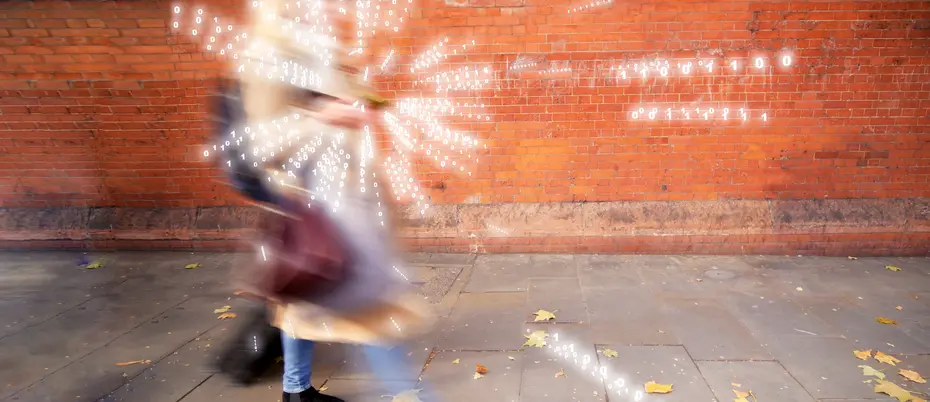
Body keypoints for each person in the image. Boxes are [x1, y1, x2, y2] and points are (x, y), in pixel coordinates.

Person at [234, 1, 438, 401]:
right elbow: (263, 143)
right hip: (321, 203)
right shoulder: (268, 53)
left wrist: (350, 94)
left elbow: (318, 96)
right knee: (371, 306)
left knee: (305, 301)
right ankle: (409, 395)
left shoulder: (312, 44)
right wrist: (325, 115)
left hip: (339, 195)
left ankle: (296, 389)